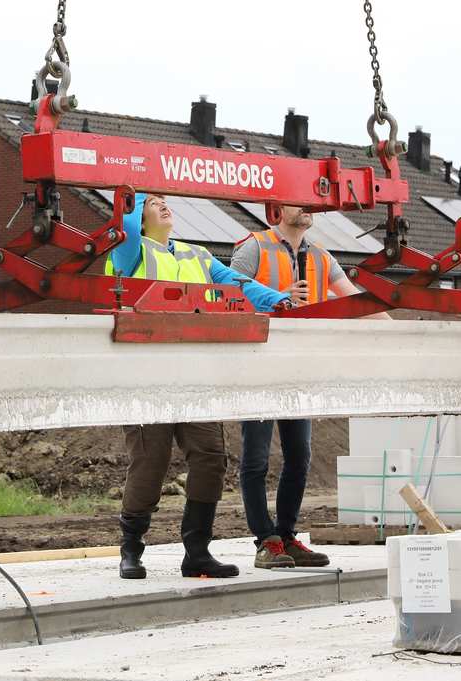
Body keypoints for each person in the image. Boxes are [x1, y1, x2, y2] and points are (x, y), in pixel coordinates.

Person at [108, 193, 290, 580]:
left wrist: (281, 301)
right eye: (152, 203)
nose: (163, 206)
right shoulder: (128, 253)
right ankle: (131, 550)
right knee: (150, 463)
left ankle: (197, 552)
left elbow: (238, 284)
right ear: (137, 219)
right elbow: (124, 225)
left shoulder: (197, 255)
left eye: (162, 200)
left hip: (194, 377)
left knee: (210, 457)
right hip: (145, 377)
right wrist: (132, 189)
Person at [229, 205, 381, 569]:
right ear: (278, 209)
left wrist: (398, 330)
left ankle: (285, 535)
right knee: (256, 458)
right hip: (259, 366)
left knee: (299, 456)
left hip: (299, 368)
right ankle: (265, 541)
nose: (308, 208)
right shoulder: (254, 248)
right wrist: (276, 294)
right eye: (299, 202)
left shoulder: (321, 257)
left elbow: (354, 300)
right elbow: (226, 295)